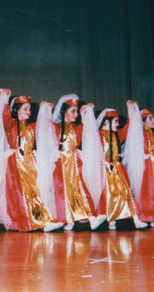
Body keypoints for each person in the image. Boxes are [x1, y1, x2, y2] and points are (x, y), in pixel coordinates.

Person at [0, 88, 63, 232]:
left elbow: (46, 126)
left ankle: (42, 220)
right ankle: (28, 222)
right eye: (25, 109)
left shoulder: (32, 127)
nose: (28, 112)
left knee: (34, 191)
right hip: (15, 163)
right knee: (19, 193)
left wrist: (46, 110)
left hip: (29, 162)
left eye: (30, 110)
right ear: (16, 110)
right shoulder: (11, 125)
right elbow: (3, 117)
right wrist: (4, 100)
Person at [37, 94, 106, 231]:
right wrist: (46, 110)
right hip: (60, 164)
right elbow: (46, 126)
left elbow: (88, 129)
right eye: (72, 111)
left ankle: (90, 218)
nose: (75, 115)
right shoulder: (56, 127)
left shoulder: (77, 128)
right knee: (61, 191)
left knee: (79, 190)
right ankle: (65, 219)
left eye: (76, 111)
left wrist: (85, 113)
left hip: (74, 163)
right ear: (64, 111)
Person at [96, 108, 147, 230]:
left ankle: (136, 219)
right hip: (105, 170)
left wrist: (131, 111)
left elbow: (128, 127)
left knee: (126, 193)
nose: (118, 124)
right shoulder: (98, 135)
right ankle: (112, 220)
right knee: (109, 195)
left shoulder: (117, 135)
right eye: (116, 121)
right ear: (106, 122)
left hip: (117, 169)